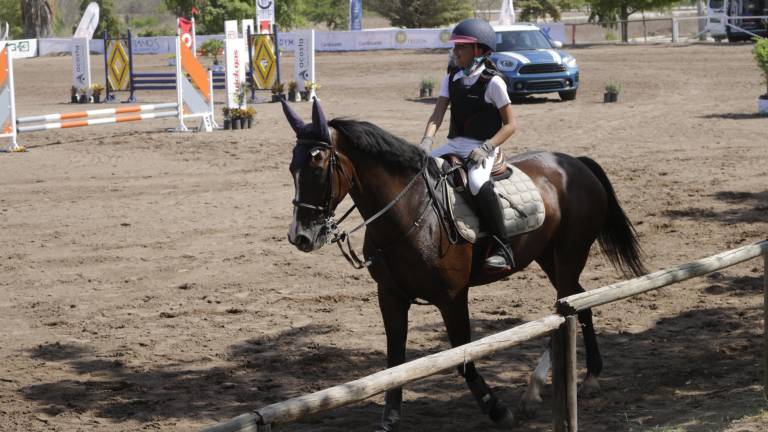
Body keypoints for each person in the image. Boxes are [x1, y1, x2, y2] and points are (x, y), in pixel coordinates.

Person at [420, 18, 517, 270]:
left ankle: (503, 246)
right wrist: (427, 141)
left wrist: (486, 148)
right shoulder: (451, 78)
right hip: (455, 143)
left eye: (462, 47)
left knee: (475, 182)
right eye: (456, 47)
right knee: (419, 169)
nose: (456, 52)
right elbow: (437, 114)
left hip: (485, 145)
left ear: (480, 50)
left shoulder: (493, 82)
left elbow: (510, 125)